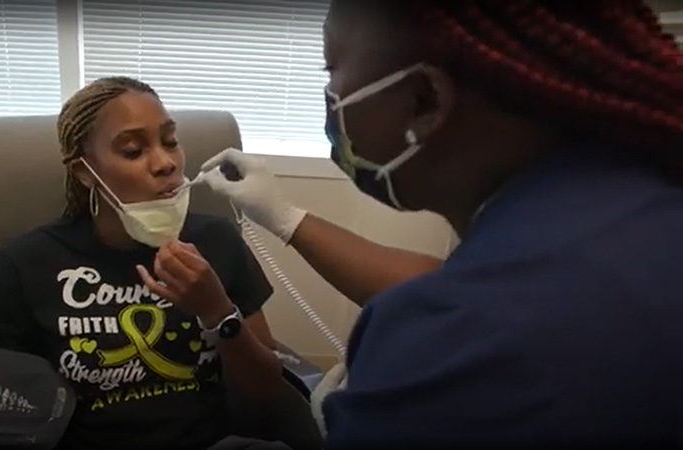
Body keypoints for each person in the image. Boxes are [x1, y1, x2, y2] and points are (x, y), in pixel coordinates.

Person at [199, 0, 683, 447]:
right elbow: (461, 283)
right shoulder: (631, 205)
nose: (330, 98)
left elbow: (462, 307)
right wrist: (285, 218)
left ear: (425, 99)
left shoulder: (450, 344)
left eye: (333, 69)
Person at [0, 76, 288, 450]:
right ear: (84, 172)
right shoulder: (25, 262)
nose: (166, 163)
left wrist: (219, 314)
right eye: (132, 150)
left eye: (171, 141)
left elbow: (265, 391)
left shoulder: (217, 241)